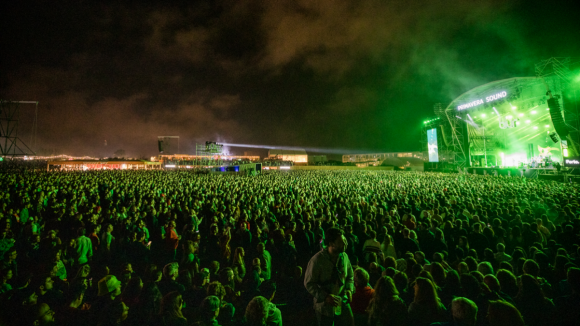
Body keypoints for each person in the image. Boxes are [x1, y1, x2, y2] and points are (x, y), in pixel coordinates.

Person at [304, 227, 355, 326]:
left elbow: (350, 276)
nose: (346, 243)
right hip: (324, 307)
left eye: (345, 240)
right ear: (331, 244)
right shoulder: (317, 260)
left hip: (342, 301)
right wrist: (325, 296)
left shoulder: (344, 257)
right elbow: (309, 283)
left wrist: (349, 289)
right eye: (341, 241)